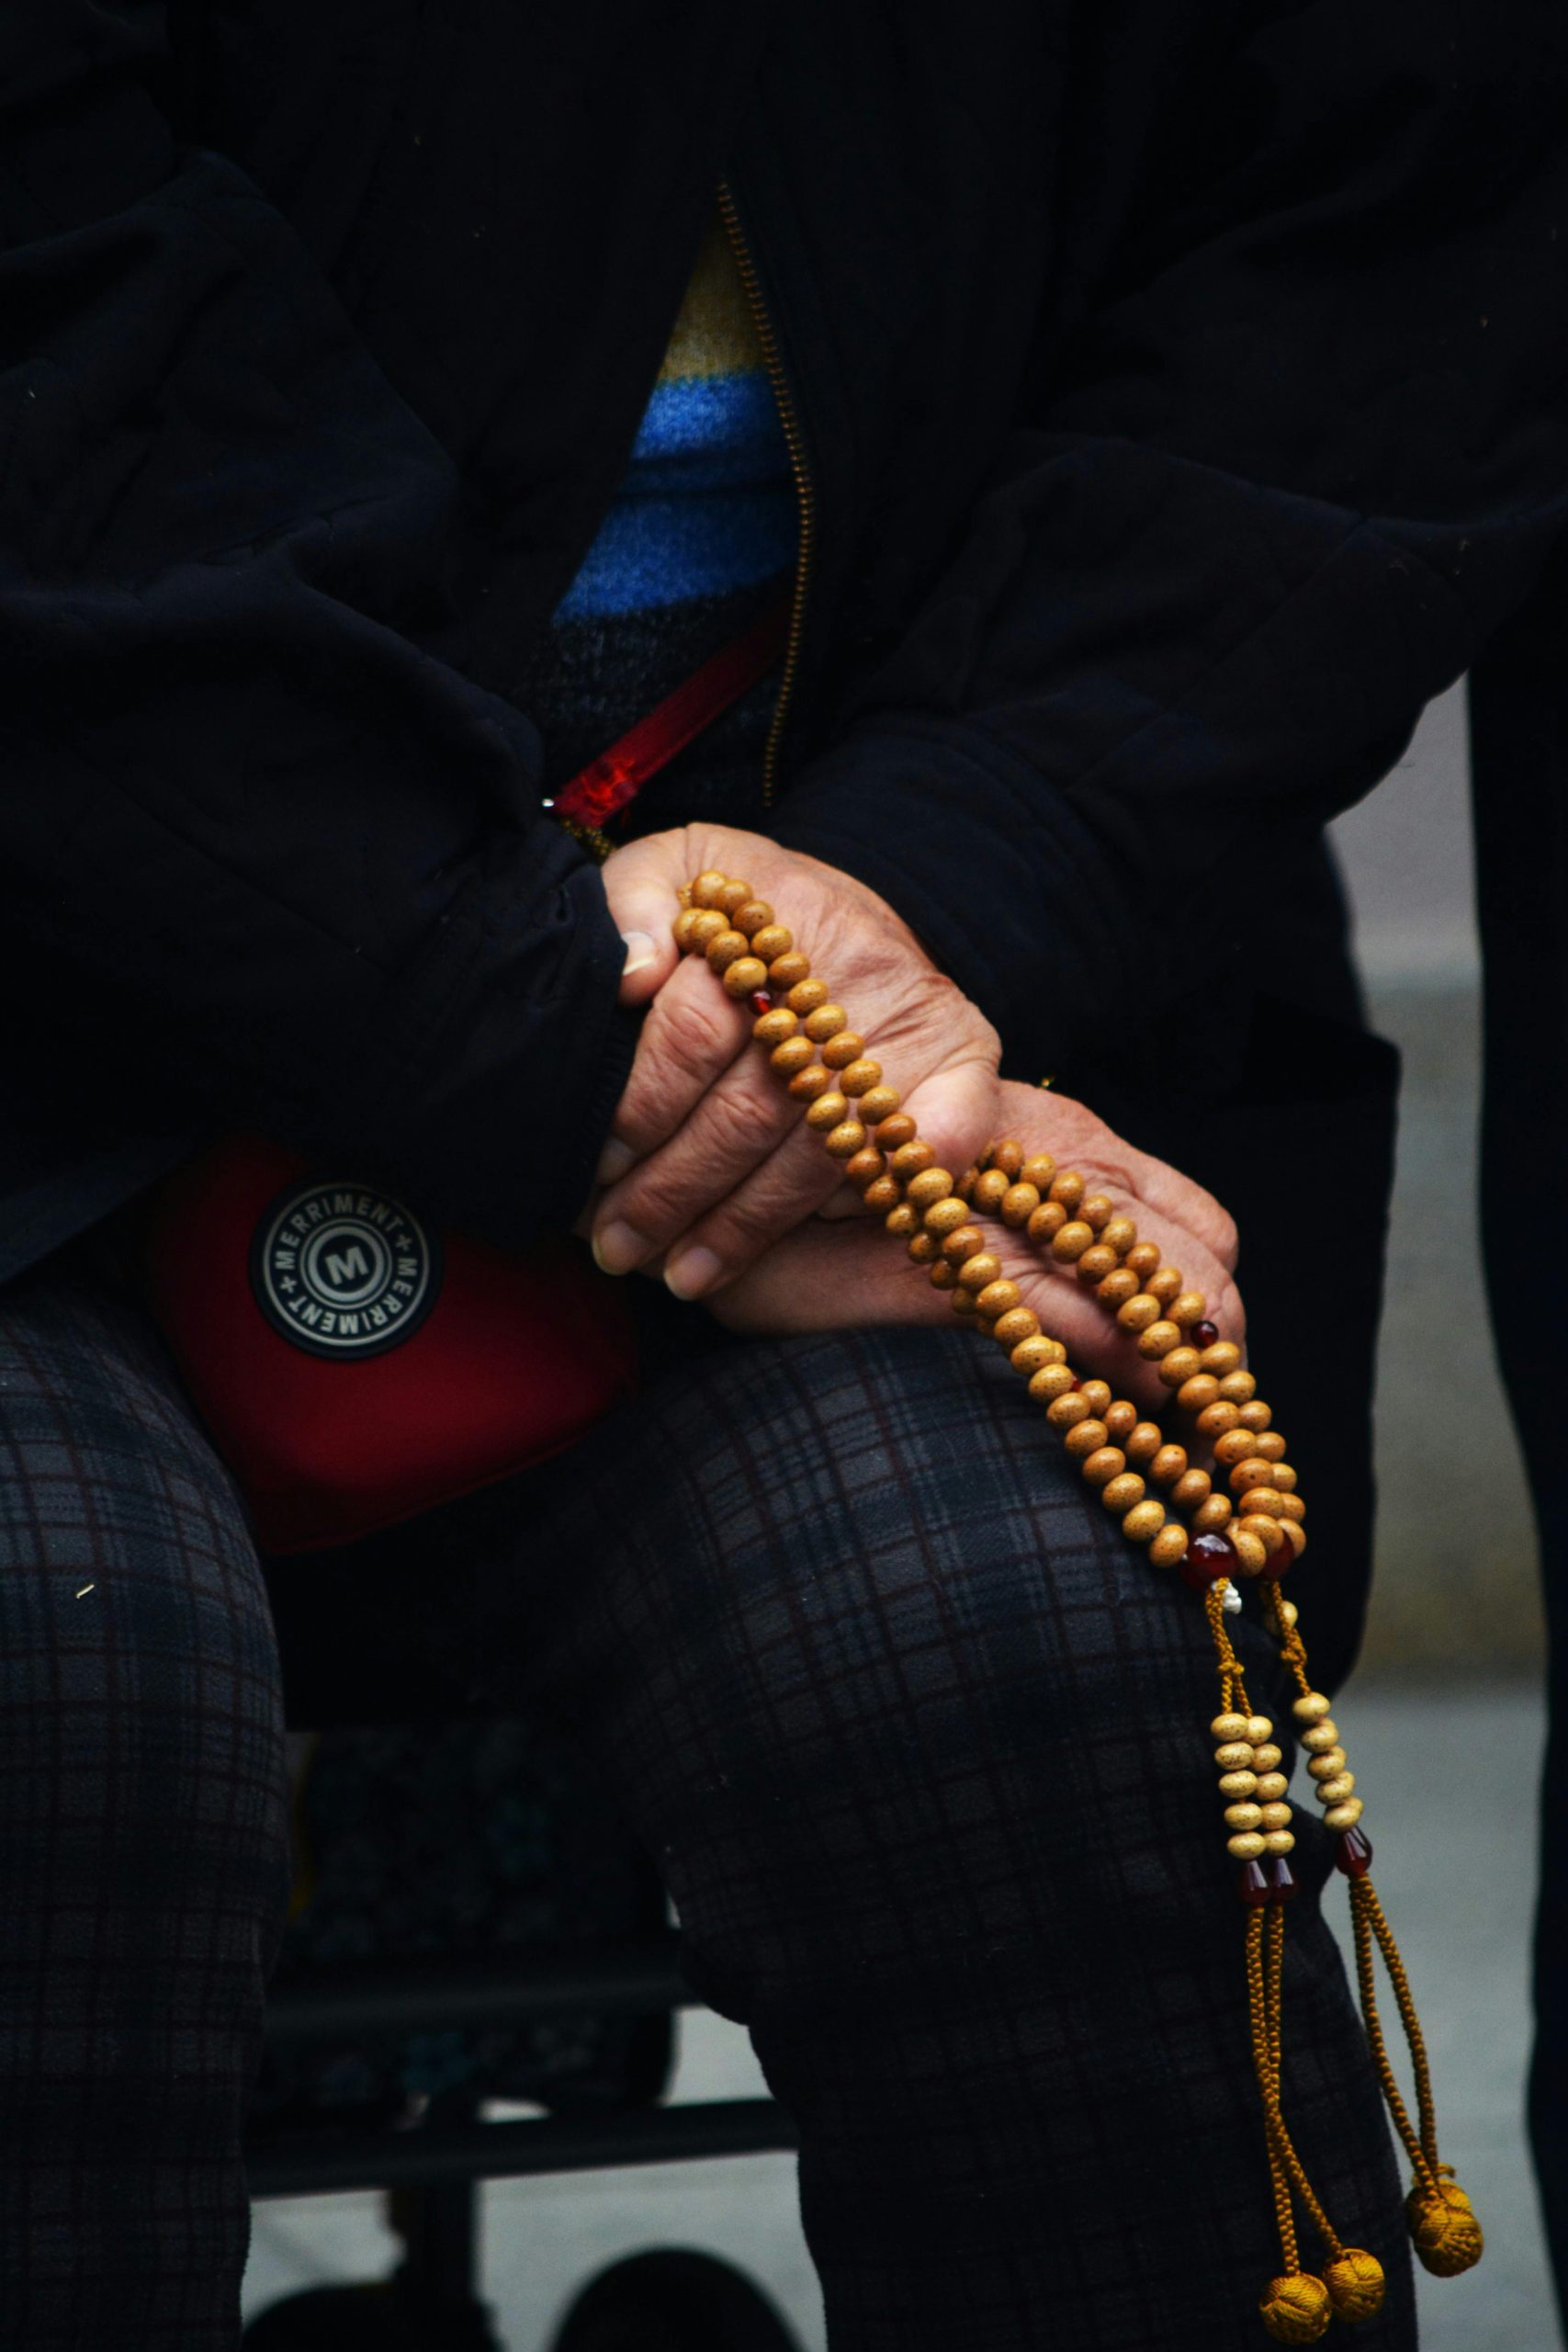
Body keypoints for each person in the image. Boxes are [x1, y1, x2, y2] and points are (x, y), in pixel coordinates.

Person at [2, 5, 1566, 2346]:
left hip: (913, 965)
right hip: (64, 1043)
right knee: (50, 1676)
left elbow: (1381, 249)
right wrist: (589, 1037)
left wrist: (939, 892)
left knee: (1024, 1652)